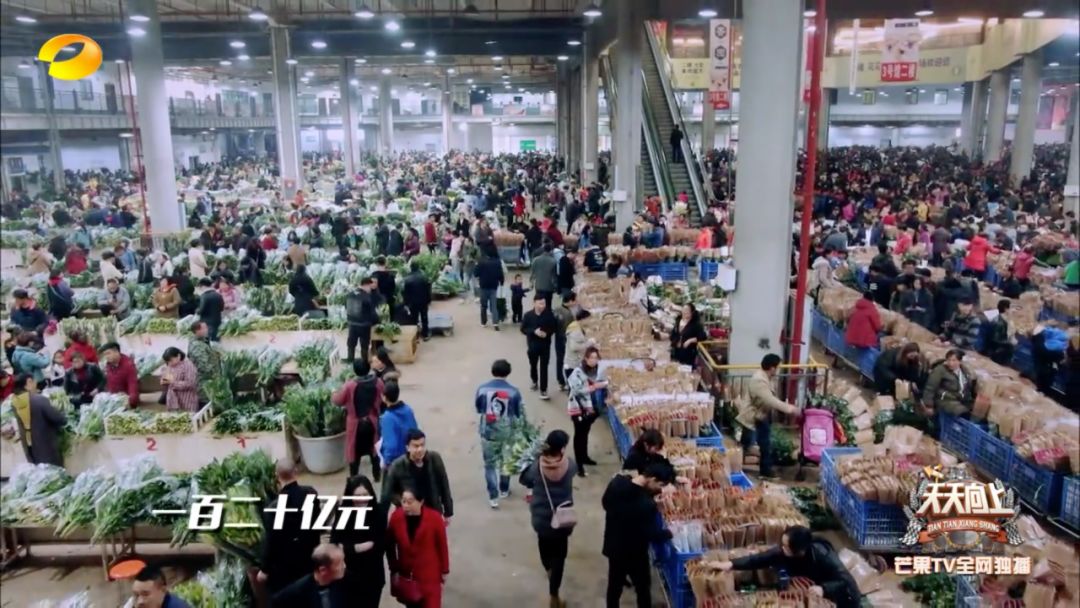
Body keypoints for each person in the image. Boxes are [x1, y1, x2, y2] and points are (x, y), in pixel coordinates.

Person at [710, 526, 860, 608]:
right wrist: (731, 564)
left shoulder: (824, 556)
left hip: (843, 597)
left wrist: (824, 588)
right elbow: (761, 558)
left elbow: (846, 581)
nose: (781, 548)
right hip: (814, 589)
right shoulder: (786, 551)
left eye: (786, 546)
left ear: (799, 551)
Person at [602, 459, 677, 608]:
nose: (660, 490)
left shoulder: (617, 483)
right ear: (652, 479)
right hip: (634, 552)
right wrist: (669, 533)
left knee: (614, 586)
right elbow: (650, 534)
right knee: (642, 588)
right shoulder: (646, 504)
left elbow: (606, 503)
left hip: (614, 545)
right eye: (660, 486)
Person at [518, 430, 577, 608]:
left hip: (541, 519)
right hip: (563, 518)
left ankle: (550, 571)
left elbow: (524, 479)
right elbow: (571, 472)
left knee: (545, 549)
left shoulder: (537, 467)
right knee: (560, 555)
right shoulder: (570, 465)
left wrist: (534, 457)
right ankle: (554, 595)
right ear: (563, 448)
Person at [257, 459, 321, 595]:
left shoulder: (274, 508)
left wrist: (264, 569)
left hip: (284, 569)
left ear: (277, 476)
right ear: (296, 472)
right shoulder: (311, 495)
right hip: (307, 560)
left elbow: (271, 541)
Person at [386, 485, 450, 608]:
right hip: (408, 577)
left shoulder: (434, 518)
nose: (406, 505)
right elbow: (389, 545)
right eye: (403, 501)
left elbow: (442, 545)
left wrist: (444, 570)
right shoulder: (396, 518)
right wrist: (394, 568)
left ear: (421, 502)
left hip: (430, 577)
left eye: (410, 502)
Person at [739, 354, 799, 479]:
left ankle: (764, 470)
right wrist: (790, 409)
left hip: (761, 416)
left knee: (763, 444)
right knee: (750, 444)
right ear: (772, 368)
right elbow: (770, 400)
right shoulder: (759, 380)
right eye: (778, 367)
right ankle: (746, 468)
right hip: (754, 416)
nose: (778, 370)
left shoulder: (766, 377)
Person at [474, 359, 524, 508]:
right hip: (507, 432)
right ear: (508, 373)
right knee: (506, 461)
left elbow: (479, 408)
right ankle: (504, 488)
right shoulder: (514, 392)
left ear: (492, 371)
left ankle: (493, 496)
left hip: (488, 431)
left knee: (489, 465)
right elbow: (517, 412)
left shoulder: (482, 389)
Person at [330, 475, 387, 606]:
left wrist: (347, 547)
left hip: (372, 577)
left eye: (365, 494)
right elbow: (335, 543)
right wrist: (356, 548)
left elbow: (379, 545)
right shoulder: (343, 512)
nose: (362, 499)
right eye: (358, 495)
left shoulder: (378, 513)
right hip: (348, 575)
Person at [382, 429, 454, 523]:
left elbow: (444, 486)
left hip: (433, 512)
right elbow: (387, 494)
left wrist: (448, 512)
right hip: (409, 516)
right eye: (416, 446)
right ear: (407, 447)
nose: (420, 449)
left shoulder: (434, 459)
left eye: (422, 445)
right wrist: (404, 502)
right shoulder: (397, 466)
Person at [333, 359, 385, 480]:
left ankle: (354, 478)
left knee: (354, 452)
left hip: (355, 424)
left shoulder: (350, 385)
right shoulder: (378, 382)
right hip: (372, 421)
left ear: (355, 370)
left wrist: (334, 392)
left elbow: (338, 400)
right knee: (374, 449)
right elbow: (383, 397)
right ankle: (377, 476)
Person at [6, 374, 67, 467]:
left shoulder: (15, 403)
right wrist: (63, 416)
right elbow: (57, 418)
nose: (36, 383)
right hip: (46, 444)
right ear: (29, 383)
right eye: (34, 381)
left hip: (29, 445)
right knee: (54, 471)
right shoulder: (39, 400)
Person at [567, 346, 607, 477]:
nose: (594, 360)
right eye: (592, 358)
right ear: (586, 358)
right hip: (578, 408)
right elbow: (576, 390)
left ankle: (584, 457)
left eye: (596, 358)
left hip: (590, 408)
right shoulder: (578, 372)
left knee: (585, 432)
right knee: (579, 435)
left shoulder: (595, 371)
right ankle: (579, 466)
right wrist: (594, 387)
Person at [271, 544, 349, 608]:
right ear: (323, 570)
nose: (344, 566)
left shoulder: (348, 583)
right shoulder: (294, 595)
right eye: (340, 564)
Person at [521, 294, 558, 400]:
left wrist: (547, 333)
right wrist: (533, 331)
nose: (542, 306)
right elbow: (523, 329)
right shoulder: (528, 315)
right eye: (540, 303)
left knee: (544, 367)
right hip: (532, 345)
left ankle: (544, 389)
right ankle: (534, 380)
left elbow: (554, 327)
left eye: (544, 303)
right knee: (533, 365)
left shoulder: (549, 315)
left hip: (545, 345)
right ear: (534, 303)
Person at [922, 349, 976, 418]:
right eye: (949, 360)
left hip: (960, 399)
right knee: (962, 412)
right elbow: (930, 387)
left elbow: (967, 387)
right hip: (945, 400)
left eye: (954, 360)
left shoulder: (964, 371)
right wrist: (928, 405)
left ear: (960, 361)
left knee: (975, 412)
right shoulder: (940, 370)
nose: (951, 363)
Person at [378, 381, 420, 470]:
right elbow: (415, 431)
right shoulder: (408, 410)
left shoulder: (387, 418)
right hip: (411, 456)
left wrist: (387, 462)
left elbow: (391, 445)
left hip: (397, 463)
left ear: (384, 397)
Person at [346, 277, 380, 363]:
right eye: (370, 287)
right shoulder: (367, 297)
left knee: (351, 342)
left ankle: (350, 359)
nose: (370, 290)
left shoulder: (350, 294)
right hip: (364, 325)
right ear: (366, 285)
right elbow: (372, 314)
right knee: (364, 344)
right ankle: (364, 362)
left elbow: (346, 307)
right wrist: (377, 321)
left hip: (352, 323)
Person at [552, 292, 578, 392]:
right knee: (568, 361)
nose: (576, 302)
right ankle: (569, 382)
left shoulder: (557, 309)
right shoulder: (568, 315)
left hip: (558, 338)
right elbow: (570, 329)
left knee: (559, 360)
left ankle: (560, 381)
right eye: (575, 300)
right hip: (565, 339)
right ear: (570, 301)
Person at [101, 342, 139, 408]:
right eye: (105, 354)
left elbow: (133, 385)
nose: (106, 356)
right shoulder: (108, 365)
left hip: (125, 401)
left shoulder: (128, 365)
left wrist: (131, 401)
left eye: (108, 353)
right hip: (113, 401)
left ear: (116, 351)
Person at [160, 347, 198, 412]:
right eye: (167, 362)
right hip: (172, 400)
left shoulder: (188, 366)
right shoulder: (169, 366)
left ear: (178, 356)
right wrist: (164, 381)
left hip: (186, 400)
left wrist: (173, 383)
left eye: (171, 361)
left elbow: (191, 383)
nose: (169, 363)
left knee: (186, 417)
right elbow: (165, 375)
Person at [402, 262, 433, 341]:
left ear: (411, 268)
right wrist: (429, 300)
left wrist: (406, 303)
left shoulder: (407, 278)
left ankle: (415, 336)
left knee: (414, 319)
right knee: (424, 318)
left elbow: (406, 293)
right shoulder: (424, 277)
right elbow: (428, 290)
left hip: (413, 303)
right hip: (423, 301)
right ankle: (425, 334)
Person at [474, 252, 505, 329]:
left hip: (483, 286)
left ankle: (483, 322)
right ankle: (495, 323)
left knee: (483, 305)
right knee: (494, 305)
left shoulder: (481, 262)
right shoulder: (497, 262)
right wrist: (501, 282)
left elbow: (475, 274)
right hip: (494, 286)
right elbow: (500, 274)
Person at [982, 299, 1014, 365]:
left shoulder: (1005, 320)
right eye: (1011, 308)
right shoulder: (999, 323)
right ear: (1006, 309)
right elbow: (995, 339)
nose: (1013, 310)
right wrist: (1009, 340)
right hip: (994, 350)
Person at [530, 243, 558, 310]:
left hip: (538, 286)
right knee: (548, 305)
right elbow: (554, 277)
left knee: (538, 303)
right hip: (549, 287)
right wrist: (556, 287)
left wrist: (531, 284)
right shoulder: (553, 261)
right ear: (551, 250)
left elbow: (532, 274)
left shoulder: (536, 260)